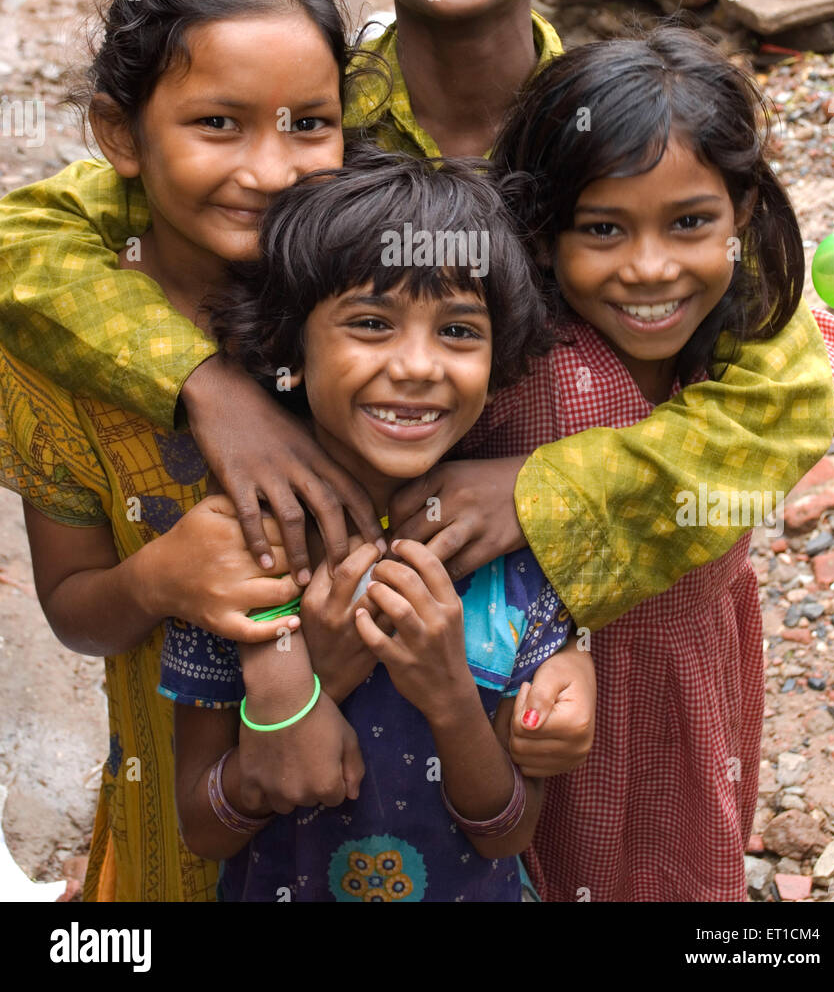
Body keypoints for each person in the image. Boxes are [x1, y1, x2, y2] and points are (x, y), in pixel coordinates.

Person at [0, 0, 834, 637]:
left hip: (617, 640)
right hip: (340, 619)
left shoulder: (628, 137)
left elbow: (785, 401)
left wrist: (544, 490)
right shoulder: (312, 127)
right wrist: (205, 384)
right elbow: (26, 239)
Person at [456, 26, 834, 901]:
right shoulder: (514, 366)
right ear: (540, 230)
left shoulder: (756, 331)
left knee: (682, 862)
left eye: (690, 223)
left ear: (744, 214)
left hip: (693, 680)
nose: (650, 269)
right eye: (602, 228)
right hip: (531, 701)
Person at [0, 0, 371, 900]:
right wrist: (161, 578)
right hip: (175, 812)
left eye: (308, 125)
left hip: (390, 797)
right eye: (218, 123)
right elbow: (76, 610)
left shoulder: (378, 309)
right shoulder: (58, 348)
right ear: (122, 137)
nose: (270, 169)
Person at [162, 149, 577, 903]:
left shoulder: (515, 560)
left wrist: (449, 693)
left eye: (458, 331)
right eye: (370, 323)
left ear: (500, 356)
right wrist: (303, 690)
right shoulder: (238, 561)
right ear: (291, 344)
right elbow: (204, 827)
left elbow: (508, 833)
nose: (417, 366)